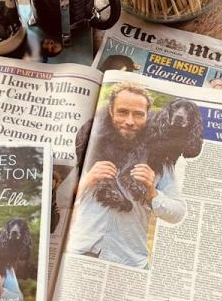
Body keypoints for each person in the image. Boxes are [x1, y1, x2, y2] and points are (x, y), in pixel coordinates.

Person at [66, 83, 186, 268]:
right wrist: (87, 180)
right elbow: (60, 199)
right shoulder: (90, 149)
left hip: (129, 261)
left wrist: (152, 193)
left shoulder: (159, 159)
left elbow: (177, 213)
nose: (130, 121)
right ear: (111, 113)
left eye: (138, 114)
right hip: (80, 254)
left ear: (147, 116)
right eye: (122, 112)